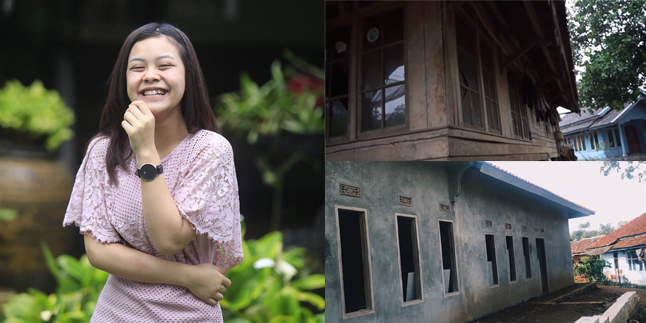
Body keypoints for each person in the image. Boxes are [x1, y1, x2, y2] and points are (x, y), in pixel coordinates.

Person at [62, 22, 243, 322]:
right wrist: (189, 277)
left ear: (188, 75)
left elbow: (169, 239)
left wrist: (146, 151)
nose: (150, 76)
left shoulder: (210, 150)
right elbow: (99, 252)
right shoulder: (102, 151)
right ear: (125, 80)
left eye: (165, 65)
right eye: (137, 68)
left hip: (189, 315)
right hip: (115, 313)